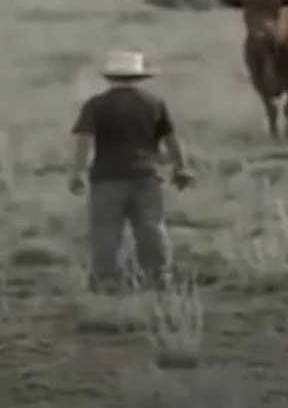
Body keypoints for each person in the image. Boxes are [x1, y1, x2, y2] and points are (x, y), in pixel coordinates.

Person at [67, 49, 195, 293]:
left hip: (106, 178)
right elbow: (171, 140)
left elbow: (84, 141)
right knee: (151, 228)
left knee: (105, 230)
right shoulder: (154, 103)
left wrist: (78, 172)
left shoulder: (96, 105)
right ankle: (158, 278)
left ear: (110, 77)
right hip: (147, 176)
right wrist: (182, 168)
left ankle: (105, 281)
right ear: (139, 77)